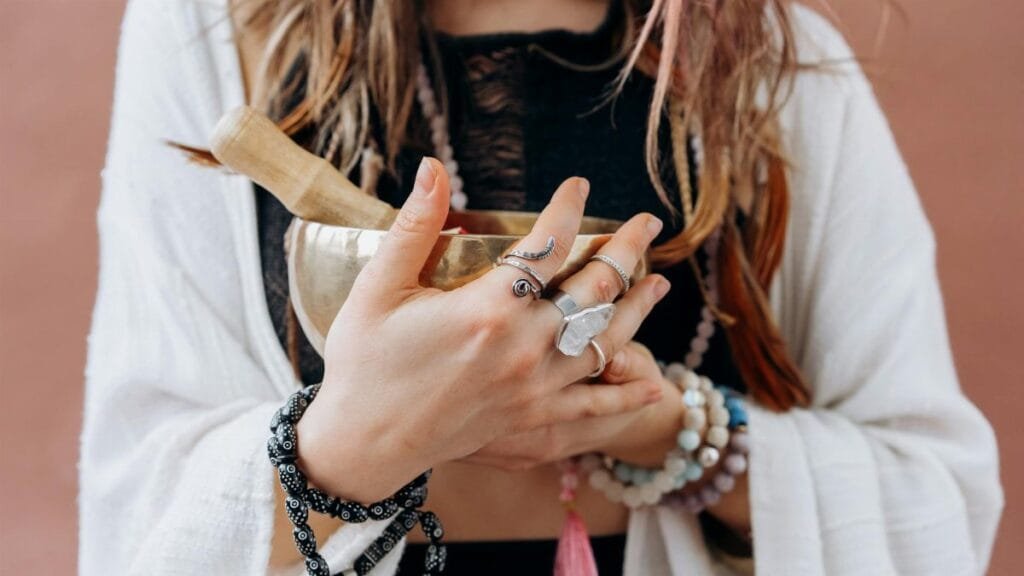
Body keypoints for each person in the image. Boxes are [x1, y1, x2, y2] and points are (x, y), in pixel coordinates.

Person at [80, 0, 1004, 574]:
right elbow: (142, 502)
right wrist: (363, 444)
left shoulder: (767, 46)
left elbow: (932, 490)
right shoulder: (214, 25)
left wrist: (669, 429)